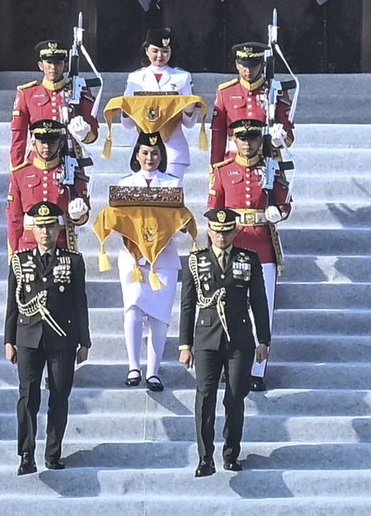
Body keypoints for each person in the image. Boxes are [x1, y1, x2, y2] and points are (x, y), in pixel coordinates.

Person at [179, 206, 271, 477]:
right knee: (205, 396)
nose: (222, 236)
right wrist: (184, 344)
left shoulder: (248, 259)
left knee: (234, 397)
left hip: (239, 339)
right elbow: (187, 306)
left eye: (227, 231)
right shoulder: (196, 260)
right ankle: (205, 458)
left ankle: (231, 453)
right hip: (207, 339)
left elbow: (259, 302)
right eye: (217, 231)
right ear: (210, 231)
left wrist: (263, 339)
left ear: (235, 231)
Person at [5, 201, 91, 475]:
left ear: (58, 229)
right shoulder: (20, 261)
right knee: (28, 397)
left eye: (50, 226)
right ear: (33, 228)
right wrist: (9, 340)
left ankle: (53, 453)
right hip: (28, 337)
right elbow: (12, 304)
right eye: (41, 227)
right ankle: (26, 454)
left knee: (59, 396)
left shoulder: (73, 261)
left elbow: (80, 303)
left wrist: (84, 341)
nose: (45, 232)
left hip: (62, 339)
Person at [205, 118, 290, 390]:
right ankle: (227, 364)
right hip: (233, 244)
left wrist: (280, 211)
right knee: (226, 307)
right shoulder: (223, 170)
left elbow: (285, 200)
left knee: (261, 308)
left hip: (262, 245)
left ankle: (256, 370)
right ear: (235, 140)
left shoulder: (271, 168)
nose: (247, 144)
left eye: (253, 138)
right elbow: (213, 209)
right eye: (242, 139)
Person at [111, 130, 189, 391]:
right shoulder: (125, 183)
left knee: (160, 316)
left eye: (155, 153)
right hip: (133, 257)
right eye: (145, 152)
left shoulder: (172, 184)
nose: (150, 158)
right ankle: (133, 366)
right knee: (132, 309)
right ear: (136, 155)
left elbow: (178, 221)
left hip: (162, 257)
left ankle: (153, 371)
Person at [123, 25, 199, 179]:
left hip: (173, 148)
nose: (160, 56)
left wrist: (189, 110)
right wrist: (127, 110)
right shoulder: (135, 78)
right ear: (146, 51)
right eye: (155, 51)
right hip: (144, 149)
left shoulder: (182, 77)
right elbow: (127, 124)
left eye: (165, 51)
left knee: (171, 197)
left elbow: (189, 124)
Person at [8, 41, 99, 170]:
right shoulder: (27, 94)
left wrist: (85, 134)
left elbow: (93, 135)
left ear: (65, 65)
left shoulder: (80, 91)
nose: (53, 67)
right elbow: (18, 138)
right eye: (49, 63)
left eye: (58, 63)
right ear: (40, 65)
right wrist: (17, 172)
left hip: (71, 160)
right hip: (39, 163)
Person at [7, 120, 91, 252]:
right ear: (34, 143)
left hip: (62, 242)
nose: (46, 146)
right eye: (42, 141)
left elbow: (83, 216)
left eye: (52, 142)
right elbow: (14, 218)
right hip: (29, 244)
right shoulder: (20, 174)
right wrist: (14, 253)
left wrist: (78, 215)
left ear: (60, 143)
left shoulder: (73, 172)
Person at [209, 41, 295, 170]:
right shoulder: (226, 92)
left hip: (268, 161)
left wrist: (278, 138)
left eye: (253, 66)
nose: (248, 70)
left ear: (263, 65)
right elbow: (218, 136)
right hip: (234, 161)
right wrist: (215, 168)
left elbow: (289, 138)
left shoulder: (277, 92)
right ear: (237, 65)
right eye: (244, 65)